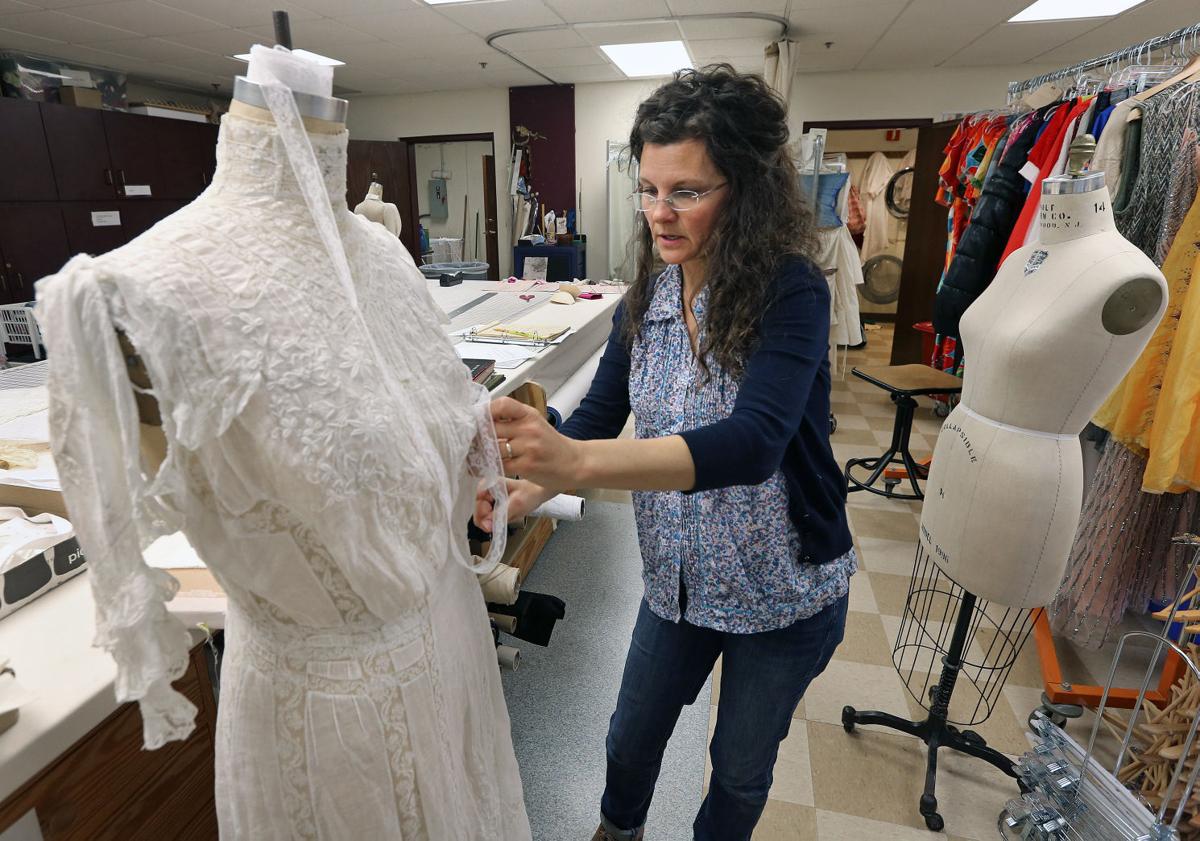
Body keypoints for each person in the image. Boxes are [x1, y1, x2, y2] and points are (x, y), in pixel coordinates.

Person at [476, 65, 856, 841]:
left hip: (782, 591)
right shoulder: (650, 291)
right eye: (648, 188)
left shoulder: (791, 291)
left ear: (745, 189)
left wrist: (575, 467)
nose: (659, 212)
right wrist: (525, 485)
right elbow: (596, 417)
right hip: (678, 582)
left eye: (686, 191)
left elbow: (752, 444)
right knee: (628, 739)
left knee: (740, 768)